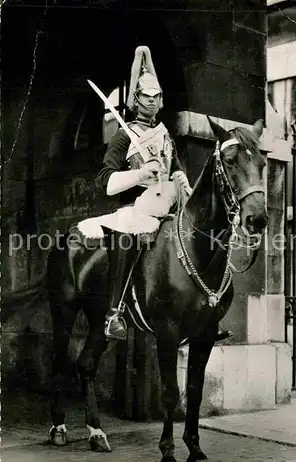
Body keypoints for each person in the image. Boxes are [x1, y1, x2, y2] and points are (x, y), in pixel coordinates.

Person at [94, 46, 192, 341]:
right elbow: (106, 181)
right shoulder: (125, 135)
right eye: (145, 96)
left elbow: (177, 169)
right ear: (136, 100)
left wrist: (180, 176)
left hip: (166, 208)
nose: (151, 101)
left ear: (161, 101)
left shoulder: (165, 136)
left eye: (156, 96)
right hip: (134, 209)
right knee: (127, 237)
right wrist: (139, 174)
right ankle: (115, 313)